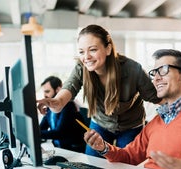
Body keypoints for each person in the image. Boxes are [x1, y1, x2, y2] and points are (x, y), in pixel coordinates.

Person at [37, 24, 161, 157]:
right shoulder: (81, 68)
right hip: (100, 123)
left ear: (108, 49)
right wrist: (56, 103)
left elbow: (157, 98)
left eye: (93, 50)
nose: (86, 57)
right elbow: (68, 88)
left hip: (130, 126)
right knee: (92, 166)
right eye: (81, 52)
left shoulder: (133, 70)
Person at [39, 76, 86, 153]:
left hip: (73, 150)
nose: (44, 95)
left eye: (47, 92)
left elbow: (59, 132)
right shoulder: (49, 108)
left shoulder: (68, 105)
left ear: (58, 90)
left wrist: (36, 134)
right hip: (59, 149)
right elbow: (41, 128)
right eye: (44, 92)